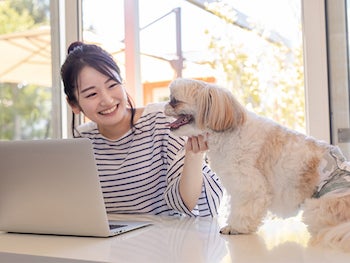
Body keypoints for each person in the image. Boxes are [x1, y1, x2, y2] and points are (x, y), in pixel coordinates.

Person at [60, 42, 223, 217]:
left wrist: (194, 155)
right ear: (74, 104)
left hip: (167, 241)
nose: (106, 100)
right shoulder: (83, 139)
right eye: (92, 94)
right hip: (110, 244)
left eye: (112, 85)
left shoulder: (162, 120)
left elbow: (188, 204)